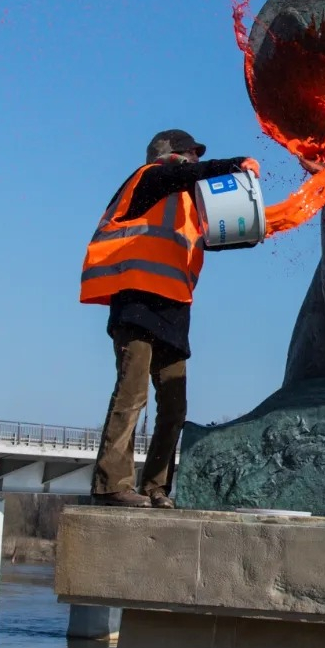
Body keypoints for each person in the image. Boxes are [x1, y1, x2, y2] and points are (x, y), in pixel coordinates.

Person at [81, 129, 258, 509]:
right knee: (132, 394)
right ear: (170, 156)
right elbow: (181, 175)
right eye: (189, 156)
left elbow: (231, 233)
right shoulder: (148, 179)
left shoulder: (189, 208)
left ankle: (155, 488)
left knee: (174, 406)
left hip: (173, 309)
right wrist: (234, 165)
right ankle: (111, 485)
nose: (193, 162)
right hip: (138, 302)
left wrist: (263, 222)